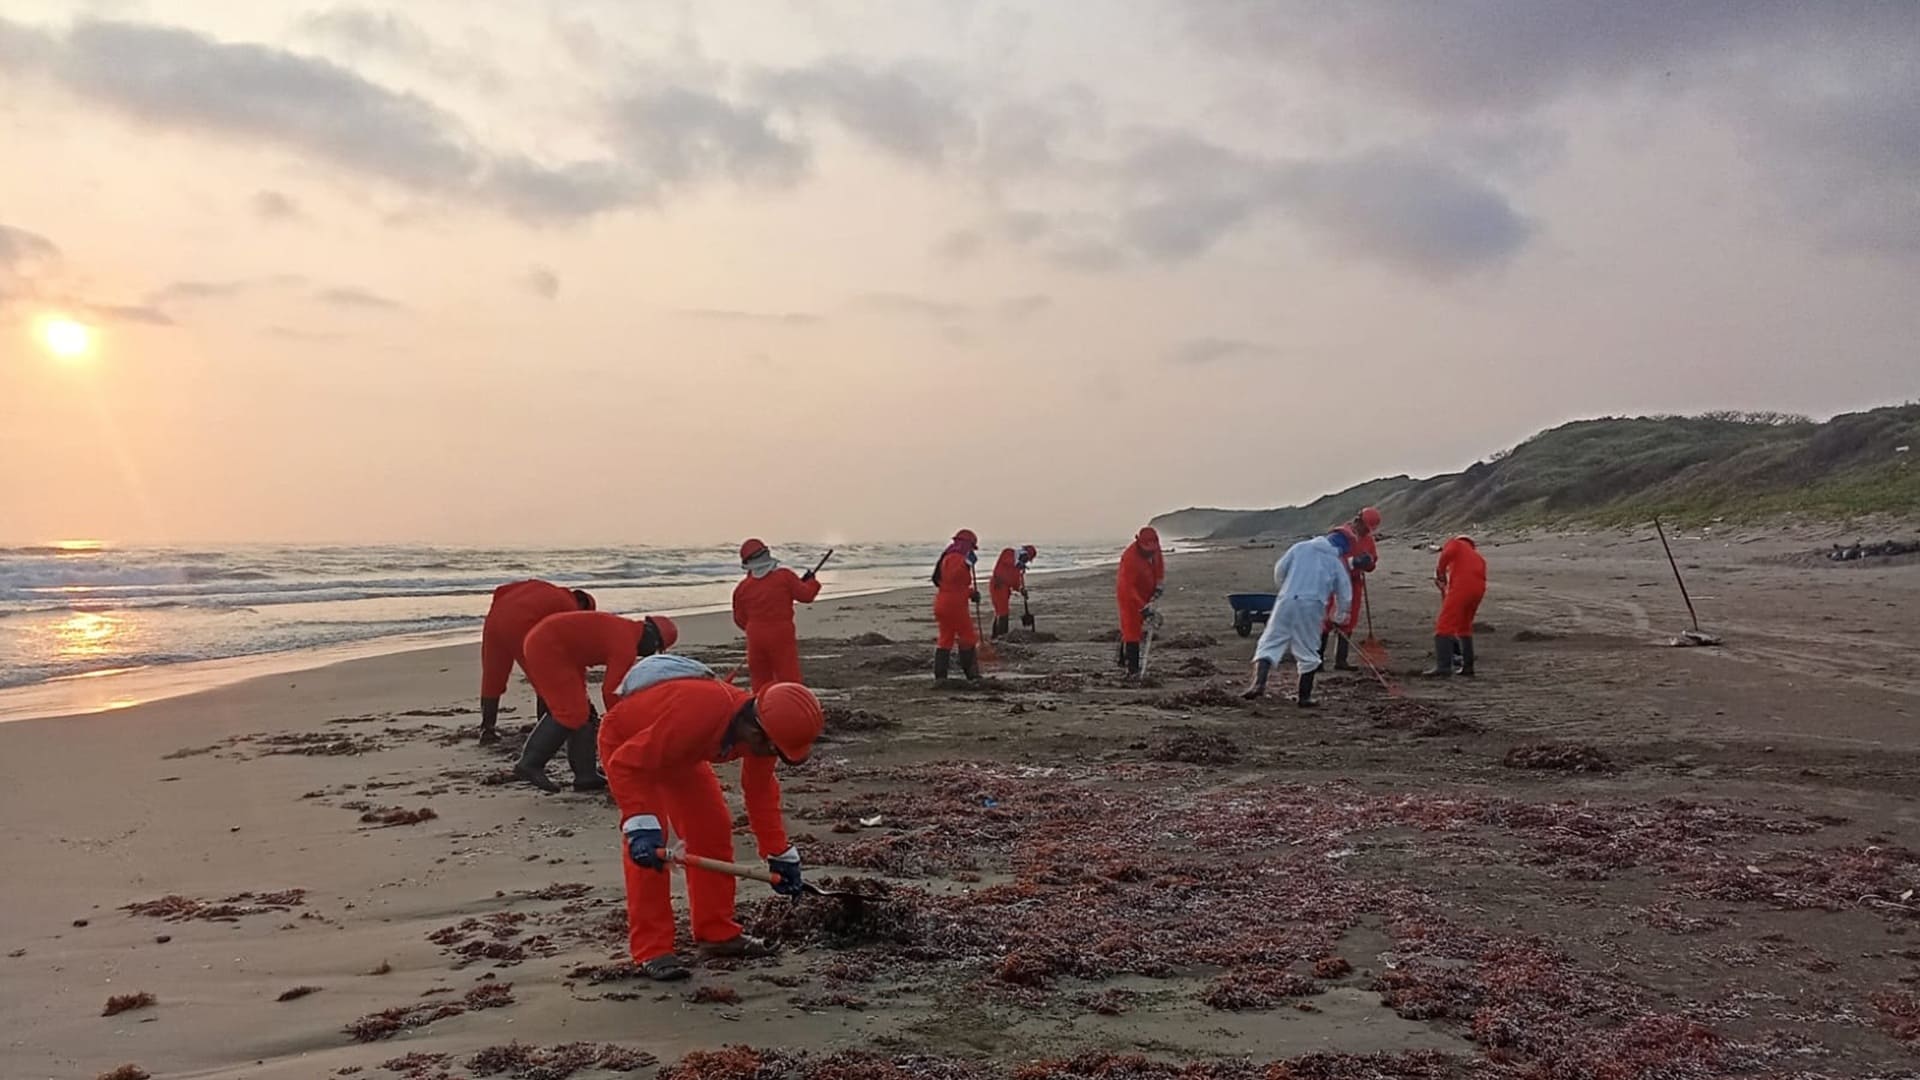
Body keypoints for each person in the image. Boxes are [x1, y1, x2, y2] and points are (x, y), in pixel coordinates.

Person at [602, 654, 825, 981]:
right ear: (756, 729)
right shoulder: (698, 716)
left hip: (682, 753)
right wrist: (639, 822)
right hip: (629, 747)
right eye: (773, 749)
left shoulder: (765, 734)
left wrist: (778, 853)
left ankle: (716, 932)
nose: (771, 757)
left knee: (712, 830)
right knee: (652, 848)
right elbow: (625, 763)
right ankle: (652, 950)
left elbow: (760, 792)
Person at [514, 610, 678, 792]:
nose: (647, 655)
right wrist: (622, 726)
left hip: (559, 648)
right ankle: (530, 764)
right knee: (570, 713)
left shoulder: (625, 631)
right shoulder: (625, 644)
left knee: (583, 713)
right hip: (548, 647)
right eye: (654, 650)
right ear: (653, 640)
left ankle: (585, 776)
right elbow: (611, 692)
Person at [1241, 530, 1353, 707]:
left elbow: (1280, 570)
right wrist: (1340, 617)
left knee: (1270, 641)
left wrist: (1286, 588)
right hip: (1312, 604)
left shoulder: (1300, 547)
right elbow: (1345, 594)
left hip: (1286, 601)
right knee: (1308, 649)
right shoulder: (1335, 562)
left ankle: (1258, 684)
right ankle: (1304, 696)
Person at [477, 580, 596, 745]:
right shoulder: (569, 607)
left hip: (495, 617)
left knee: (493, 675)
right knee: (544, 676)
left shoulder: (549, 592)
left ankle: (486, 729)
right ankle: (543, 727)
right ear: (583, 606)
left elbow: (501, 591)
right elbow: (572, 661)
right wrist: (585, 704)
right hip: (523, 620)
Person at [731, 539, 822, 690]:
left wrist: (755, 628)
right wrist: (812, 582)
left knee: (760, 679)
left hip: (755, 635)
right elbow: (806, 595)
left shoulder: (742, 588)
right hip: (781, 632)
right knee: (788, 675)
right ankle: (792, 706)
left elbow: (739, 619)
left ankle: (760, 709)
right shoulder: (785, 576)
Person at [1321, 507, 1382, 672]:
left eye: (1369, 530)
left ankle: (1341, 660)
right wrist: (1354, 562)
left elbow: (1372, 561)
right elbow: (1330, 557)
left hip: (1354, 582)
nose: (1365, 532)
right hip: (1335, 582)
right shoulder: (1340, 535)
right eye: (1365, 528)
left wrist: (1368, 563)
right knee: (1327, 618)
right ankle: (1317, 659)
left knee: (1349, 619)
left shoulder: (1368, 540)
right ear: (1359, 520)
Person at [1425, 535, 1488, 678]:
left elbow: (1447, 553)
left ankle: (1444, 667)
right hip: (1478, 590)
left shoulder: (1455, 544)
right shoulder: (1478, 557)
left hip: (1462, 588)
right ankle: (1468, 667)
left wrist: (1440, 572)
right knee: (1464, 627)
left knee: (1444, 625)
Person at [931, 529, 982, 684]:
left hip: (943, 602)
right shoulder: (955, 558)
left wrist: (971, 593)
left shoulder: (947, 556)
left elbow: (954, 585)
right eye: (971, 547)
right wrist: (965, 564)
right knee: (967, 637)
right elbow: (954, 577)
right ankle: (971, 674)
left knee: (945, 639)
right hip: (954, 606)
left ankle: (940, 676)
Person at [1115, 527, 1165, 680]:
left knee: (1134, 629)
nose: (1151, 553)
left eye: (1153, 550)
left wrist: (1159, 584)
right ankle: (1133, 669)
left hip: (1147, 590)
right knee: (1132, 630)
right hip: (1129, 595)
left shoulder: (1154, 548)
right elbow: (1128, 588)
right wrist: (1143, 607)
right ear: (1139, 542)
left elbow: (1159, 564)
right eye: (1147, 551)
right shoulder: (1129, 559)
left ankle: (1122, 658)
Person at [988, 545, 1037, 639]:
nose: (1027, 561)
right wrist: (1019, 563)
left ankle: (996, 636)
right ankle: (1001, 636)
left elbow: (1015, 584)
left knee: (1000, 612)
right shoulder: (1008, 552)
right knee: (1003, 613)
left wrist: (1021, 590)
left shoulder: (1018, 567)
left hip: (1005, 589)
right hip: (997, 585)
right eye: (1027, 558)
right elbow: (1008, 561)